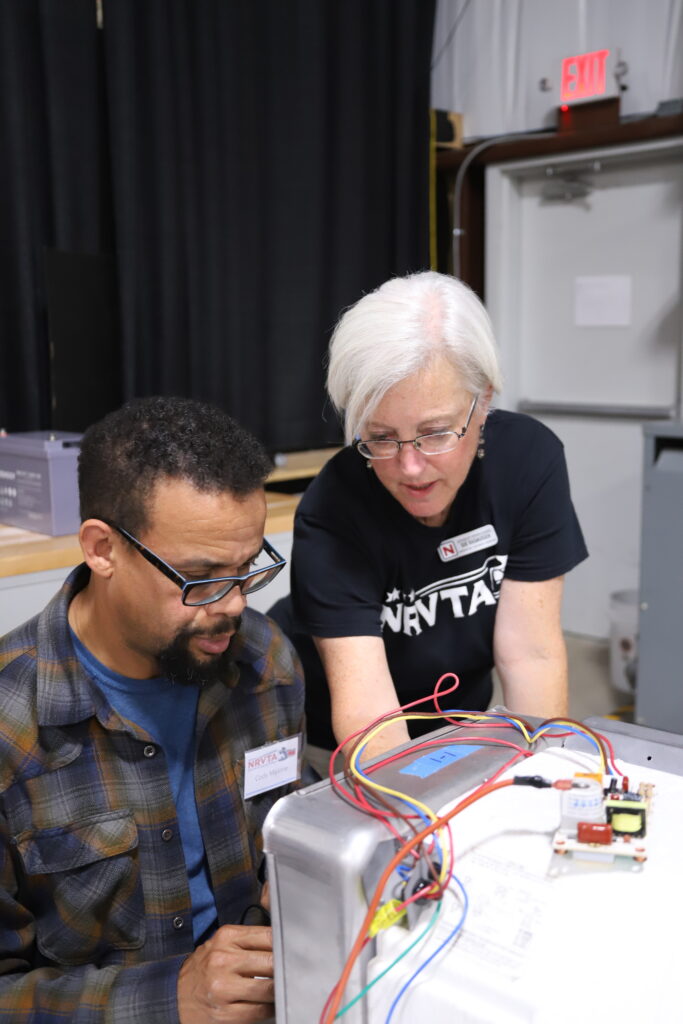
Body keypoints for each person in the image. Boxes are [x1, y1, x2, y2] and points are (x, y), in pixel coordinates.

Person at [0, 396, 304, 1022]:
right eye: (200, 577)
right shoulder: (12, 727)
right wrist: (171, 998)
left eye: (248, 570)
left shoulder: (265, 663)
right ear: (102, 549)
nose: (232, 606)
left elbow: (286, 816)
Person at [277, 271, 587, 768]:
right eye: (380, 436)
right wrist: (418, 821)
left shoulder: (529, 462)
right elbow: (369, 717)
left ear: (482, 400)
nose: (410, 466)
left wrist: (547, 777)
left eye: (436, 433)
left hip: (461, 718)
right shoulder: (333, 508)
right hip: (335, 736)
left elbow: (531, 654)